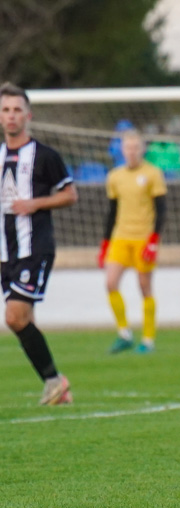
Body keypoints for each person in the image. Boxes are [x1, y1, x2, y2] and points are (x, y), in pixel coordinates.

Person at [0, 82, 78, 405]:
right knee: (24, 319)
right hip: (6, 252)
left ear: (28, 115)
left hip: (36, 248)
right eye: (5, 110)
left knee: (14, 317)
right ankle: (58, 390)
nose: (11, 116)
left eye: (17, 110)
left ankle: (53, 381)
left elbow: (70, 195)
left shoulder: (46, 156)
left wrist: (34, 204)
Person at [98, 129, 167, 354]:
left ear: (142, 149)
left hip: (143, 238)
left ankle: (148, 339)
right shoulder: (115, 176)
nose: (132, 152)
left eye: (135, 148)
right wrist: (105, 243)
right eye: (128, 148)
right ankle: (124, 333)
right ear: (122, 150)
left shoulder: (153, 173)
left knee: (144, 286)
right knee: (110, 283)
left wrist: (154, 240)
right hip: (120, 237)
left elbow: (161, 209)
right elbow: (112, 211)